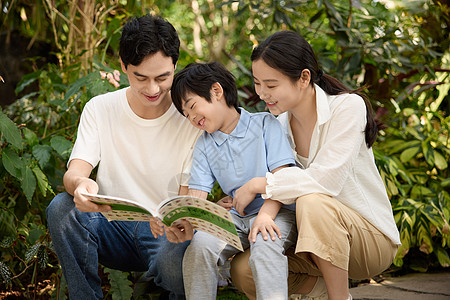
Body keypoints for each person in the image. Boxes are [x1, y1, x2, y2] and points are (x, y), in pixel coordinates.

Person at [229, 31, 401, 300]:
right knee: (244, 270)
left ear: (304, 78)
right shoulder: (276, 127)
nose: (262, 93)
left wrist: (258, 185)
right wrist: (233, 200)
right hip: (311, 242)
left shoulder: (347, 107)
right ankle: (321, 290)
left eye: (271, 85)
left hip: (368, 240)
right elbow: (269, 180)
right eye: (257, 83)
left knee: (313, 200)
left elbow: (326, 180)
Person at [45, 14, 201, 300]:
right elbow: (76, 171)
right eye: (140, 77)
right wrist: (80, 184)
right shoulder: (100, 108)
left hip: (166, 234)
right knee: (61, 208)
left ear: (175, 66)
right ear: (122, 66)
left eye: (163, 78)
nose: (152, 89)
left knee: (180, 254)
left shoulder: (191, 117)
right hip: (110, 226)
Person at [162, 61, 298, 299]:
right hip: (237, 217)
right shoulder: (204, 145)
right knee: (201, 245)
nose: (192, 118)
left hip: (277, 211)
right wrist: (180, 216)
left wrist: (265, 216)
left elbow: (283, 178)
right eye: (186, 115)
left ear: (216, 91)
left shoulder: (265, 124)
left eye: (193, 106)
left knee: (265, 245)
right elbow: (197, 196)